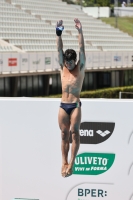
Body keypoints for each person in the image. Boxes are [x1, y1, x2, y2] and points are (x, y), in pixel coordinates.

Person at [56, 18, 86, 177]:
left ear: (75, 61)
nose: (68, 65)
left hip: (74, 105)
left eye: (70, 63)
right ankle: (64, 162)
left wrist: (80, 31)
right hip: (63, 105)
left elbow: (81, 48)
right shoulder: (63, 67)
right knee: (63, 134)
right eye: (66, 63)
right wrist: (58, 34)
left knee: (74, 132)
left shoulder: (80, 67)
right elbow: (58, 49)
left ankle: (72, 163)